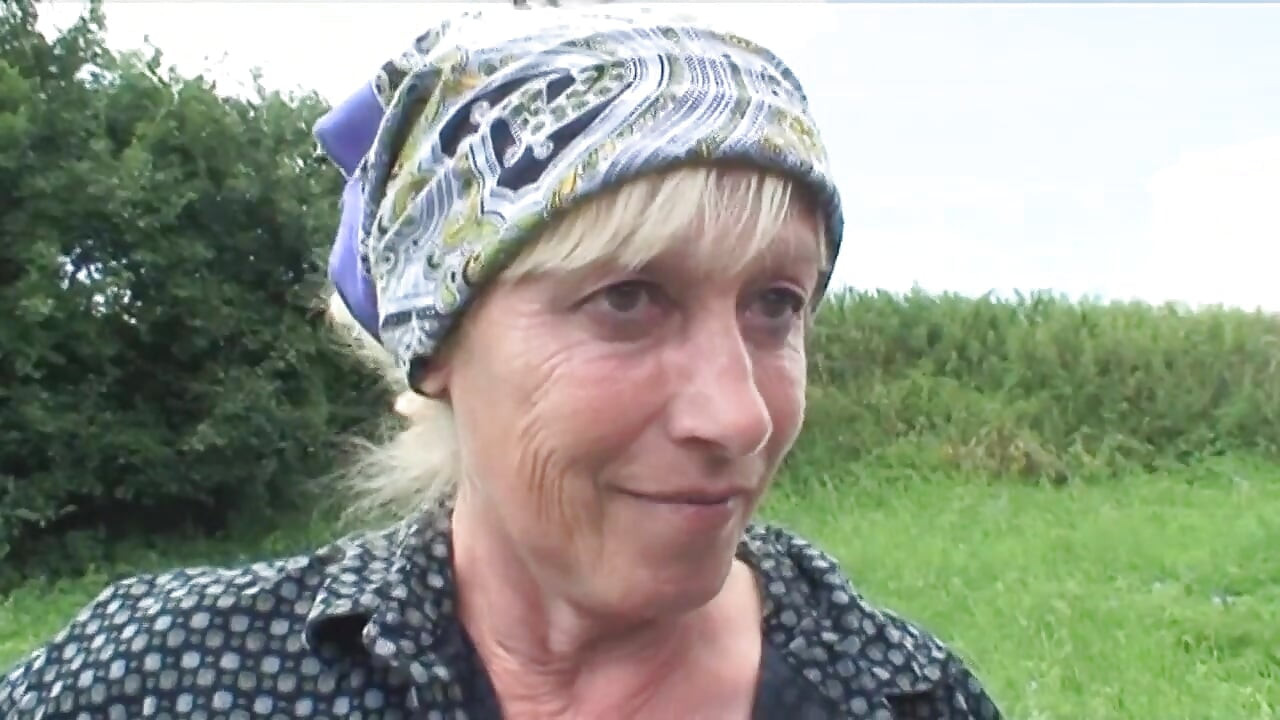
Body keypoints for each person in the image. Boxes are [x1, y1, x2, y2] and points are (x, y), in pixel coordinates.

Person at [0, 5, 1003, 719]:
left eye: (775, 305)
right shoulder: (166, 682)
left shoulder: (905, 697)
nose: (738, 417)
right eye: (627, 299)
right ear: (436, 342)